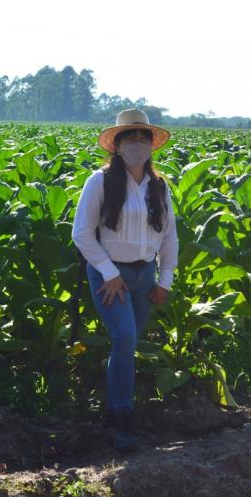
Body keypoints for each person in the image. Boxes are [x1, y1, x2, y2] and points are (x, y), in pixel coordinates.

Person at [72, 108, 177, 452]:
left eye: (142, 137)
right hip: (109, 275)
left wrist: (165, 279)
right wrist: (111, 273)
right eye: (129, 137)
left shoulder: (159, 187)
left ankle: (114, 411)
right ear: (116, 145)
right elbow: (82, 234)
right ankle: (123, 417)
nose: (136, 143)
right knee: (125, 340)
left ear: (151, 144)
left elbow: (170, 238)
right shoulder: (99, 182)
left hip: (145, 275)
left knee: (127, 345)